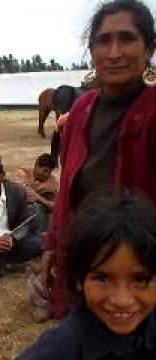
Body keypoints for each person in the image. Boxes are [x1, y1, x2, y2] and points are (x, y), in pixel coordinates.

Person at [42, 0, 156, 319]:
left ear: (148, 48)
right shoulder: (80, 110)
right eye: (104, 40)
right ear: (91, 51)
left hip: (139, 269)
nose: (115, 51)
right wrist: (54, 243)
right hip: (85, 260)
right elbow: (68, 186)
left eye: (127, 38)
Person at [17, 193, 156, 359]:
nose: (122, 300)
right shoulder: (60, 349)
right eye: (103, 279)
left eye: (140, 280)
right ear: (78, 279)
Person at [15, 153, 59, 237]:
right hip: (22, 213)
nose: (46, 175)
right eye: (45, 170)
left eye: (49, 172)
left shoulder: (52, 181)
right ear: (36, 165)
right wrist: (43, 195)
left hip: (44, 214)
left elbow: (57, 206)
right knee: (35, 207)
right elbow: (22, 193)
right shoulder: (24, 172)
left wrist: (39, 198)